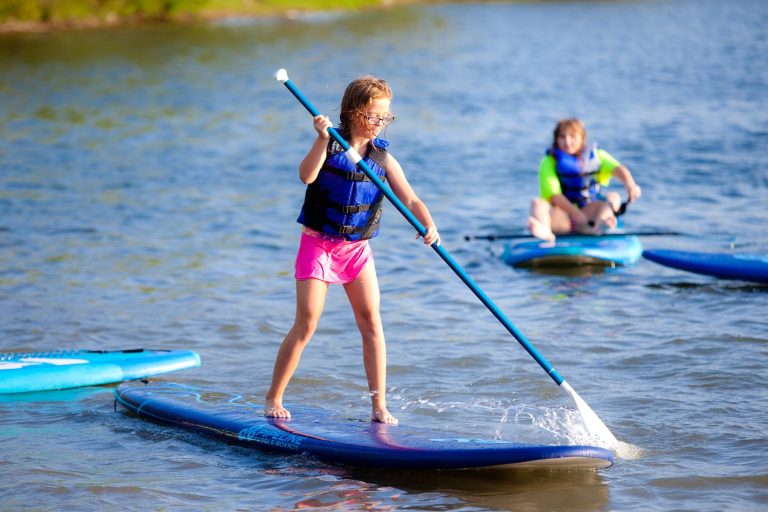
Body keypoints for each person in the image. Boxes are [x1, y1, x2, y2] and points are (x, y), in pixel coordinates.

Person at [265, 75, 441, 425]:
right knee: (307, 323)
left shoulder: (383, 158)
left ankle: (378, 406)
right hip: (318, 244)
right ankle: (274, 397)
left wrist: (429, 224)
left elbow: (410, 197)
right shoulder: (330, 144)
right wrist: (319, 139)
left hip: (356, 250)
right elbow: (306, 176)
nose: (380, 123)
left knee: (372, 323)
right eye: (374, 116)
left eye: (385, 117)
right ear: (353, 112)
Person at [527, 118, 642, 242]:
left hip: (588, 217)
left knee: (613, 198)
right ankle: (545, 233)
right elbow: (554, 196)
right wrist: (575, 213)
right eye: (562, 137)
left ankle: (600, 227)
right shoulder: (549, 162)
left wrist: (630, 184)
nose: (567, 141)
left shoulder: (597, 156)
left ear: (582, 138)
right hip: (562, 219)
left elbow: (618, 168)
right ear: (556, 140)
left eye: (572, 136)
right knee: (537, 203)